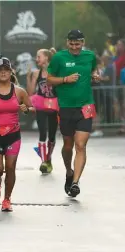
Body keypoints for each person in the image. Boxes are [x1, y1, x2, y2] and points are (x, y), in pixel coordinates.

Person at [47, 30, 100, 197]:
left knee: (80, 145)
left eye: (78, 44)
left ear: (83, 42)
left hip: (86, 106)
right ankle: (69, 171)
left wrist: (95, 75)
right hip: (66, 107)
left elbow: (93, 70)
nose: (75, 47)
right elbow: (49, 79)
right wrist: (65, 80)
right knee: (68, 146)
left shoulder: (90, 56)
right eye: (72, 44)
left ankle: (76, 182)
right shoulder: (59, 58)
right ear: (67, 42)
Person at [0, 57, 34, 211]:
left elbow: (32, 108)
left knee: (11, 167)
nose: (3, 72)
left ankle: (7, 199)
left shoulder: (19, 91)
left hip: (13, 135)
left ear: (11, 71)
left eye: (6, 70)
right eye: (0, 70)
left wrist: (26, 109)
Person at [27, 48, 58, 174]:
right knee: (42, 133)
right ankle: (43, 161)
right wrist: (29, 77)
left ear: (46, 57)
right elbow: (30, 92)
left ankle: (48, 158)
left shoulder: (56, 72)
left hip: (54, 105)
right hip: (41, 106)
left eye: (39, 56)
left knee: (52, 135)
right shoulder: (36, 73)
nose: (36, 59)